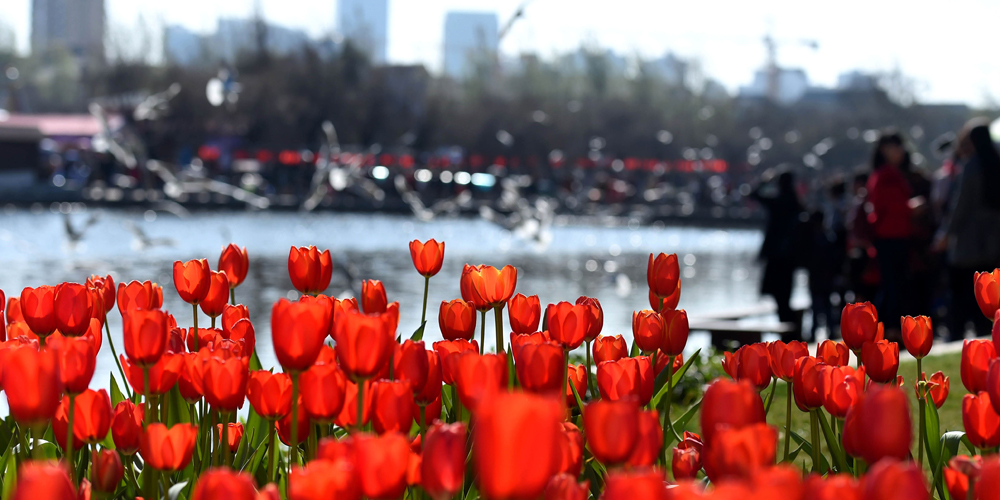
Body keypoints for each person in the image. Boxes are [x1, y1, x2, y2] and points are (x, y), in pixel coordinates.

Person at [935, 118, 1000, 339]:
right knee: (990, 294)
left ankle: (957, 332)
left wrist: (946, 234)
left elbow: (960, 206)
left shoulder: (971, 166)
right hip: (993, 240)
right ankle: (988, 331)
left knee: (963, 290)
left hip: (969, 240)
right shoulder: (996, 162)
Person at [865, 131, 914, 340]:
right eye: (896, 146)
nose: (901, 151)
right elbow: (886, 206)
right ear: (885, 149)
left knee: (892, 285)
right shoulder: (886, 175)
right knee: (892, 285)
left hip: (893, 235)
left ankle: (883, 330)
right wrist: (911, 208)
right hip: (890, 236)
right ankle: (888, 331)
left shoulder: (889, 173)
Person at [752, 168, 805, 341]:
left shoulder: (778, 202)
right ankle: (791, 333)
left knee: (778, 297)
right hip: (790, 259)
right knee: (785, 296)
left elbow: (753, 194)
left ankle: (789, 334)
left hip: (776, 258)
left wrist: (765, 180)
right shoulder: (796, 204)